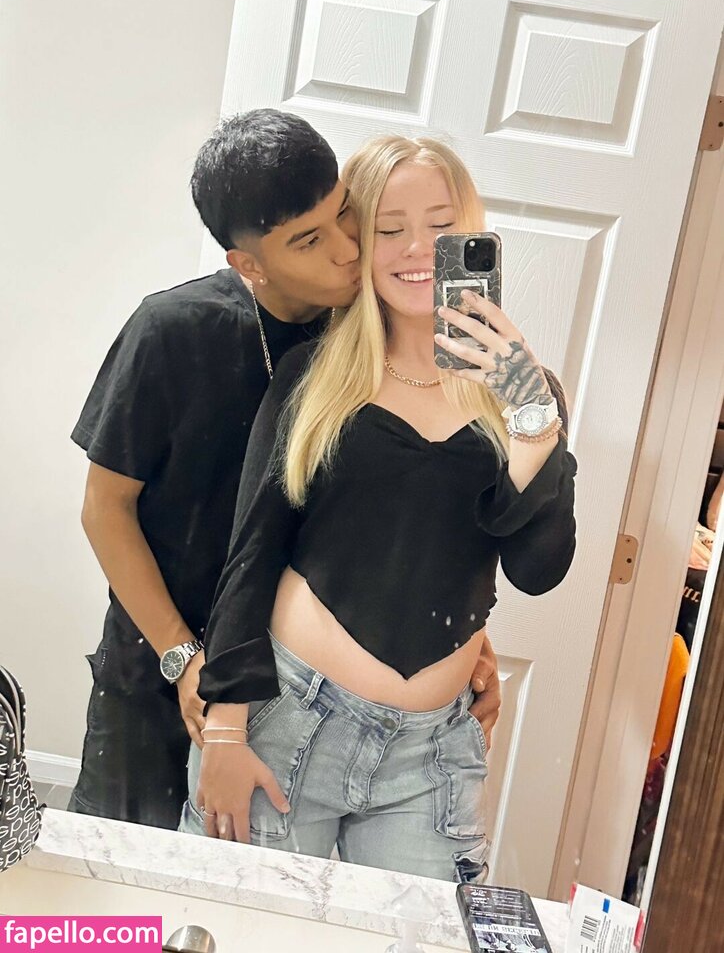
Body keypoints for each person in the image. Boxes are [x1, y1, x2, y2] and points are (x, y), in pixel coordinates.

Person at [67, 111, 501, 830]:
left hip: (288, 686)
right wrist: (183, 656)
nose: (346, 249)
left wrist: (462, 640)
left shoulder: (367, 330)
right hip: (158, 665)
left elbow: (403, 510)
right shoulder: (172, 330)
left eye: (344, 215)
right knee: (121, 872)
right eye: (308, 240)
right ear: (251, 264)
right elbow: (103, 509)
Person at [182, 136, 577, 882]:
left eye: (441, 224)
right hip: (287, 719)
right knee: (239, 925)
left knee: (424, 933)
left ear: (472, 233)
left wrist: (533, 424)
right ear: (360, 241)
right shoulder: (314, 376)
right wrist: (226, 731)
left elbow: (539, 570)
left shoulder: (525, 396)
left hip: (432, 755)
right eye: (390, 228)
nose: (418, 248)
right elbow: (253, 552)